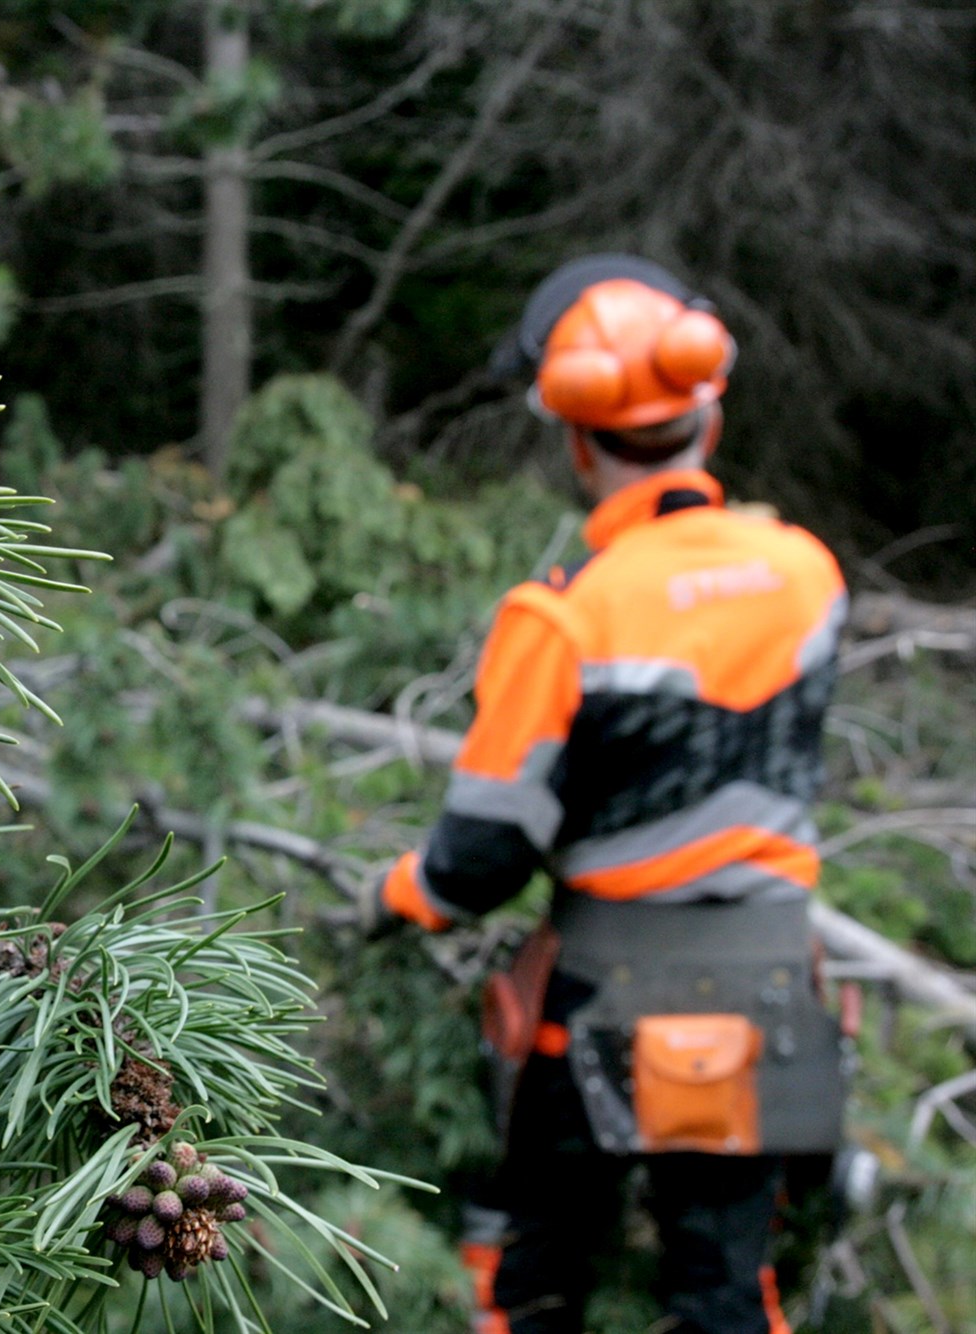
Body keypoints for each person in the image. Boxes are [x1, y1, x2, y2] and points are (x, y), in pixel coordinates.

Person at [364, 256, 849, 1334]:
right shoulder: (806, 572)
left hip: (599, 995)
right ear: (703, 424)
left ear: (577, 439)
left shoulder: (564, 617)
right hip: (770, 986)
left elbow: (479, 859)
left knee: (530, 1283)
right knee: (727, 1292)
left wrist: (395, 893)